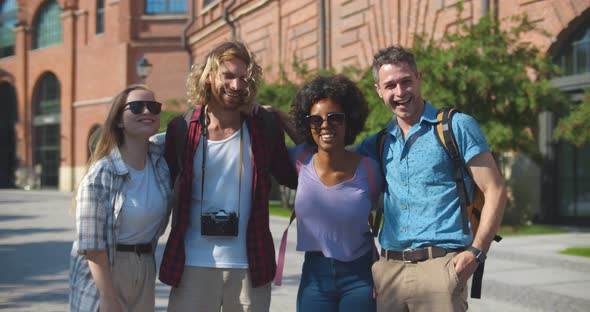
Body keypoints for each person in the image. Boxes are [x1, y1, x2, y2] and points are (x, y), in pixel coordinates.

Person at [355, 46, 507, 311]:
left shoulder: (455, 126)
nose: (400, 92)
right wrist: (280, 121)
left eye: (406, 81)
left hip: (441, 268)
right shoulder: (378, 143)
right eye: (390, 85)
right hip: (389, 271)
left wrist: (476, 253)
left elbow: (495, 189)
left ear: (419, 78)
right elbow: (329, 157)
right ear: (378, 90)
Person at [159, 41, 298, 311]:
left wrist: (281, 117)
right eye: (228, 76)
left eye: (243, 78)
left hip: (250, 264)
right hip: (193, 263)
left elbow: (294, 176)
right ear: (209, 76)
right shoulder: (182, 128)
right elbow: (161, 185)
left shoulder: (264, 127)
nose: (236, 85)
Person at [69, 85, 171, 312]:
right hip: (105, 268)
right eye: (136, 107)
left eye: (153, 107)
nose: (147, 111)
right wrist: (107, 297)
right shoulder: (101, 173)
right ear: (119, 121)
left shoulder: (159, 161)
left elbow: (194, 127)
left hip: (145, 265)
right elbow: (92, 246)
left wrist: (251, 114)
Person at [287, 75, 382, 312]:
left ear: (349, 121)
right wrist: (272, 115)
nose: (325, 125)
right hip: (315, 276)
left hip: (359, 276)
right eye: (315, 120)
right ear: (307, 125)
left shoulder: (370, 169)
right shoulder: (299, 160)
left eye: (335, 118)